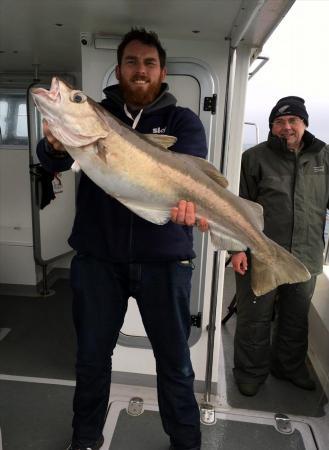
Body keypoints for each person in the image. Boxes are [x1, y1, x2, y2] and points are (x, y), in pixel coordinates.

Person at [36, 28, 208, 450]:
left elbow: (192, 177)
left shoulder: (183, 121)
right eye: (131, 62)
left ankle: (186, 444)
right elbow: (51, 155)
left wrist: (189, 208)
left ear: (162, 71)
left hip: (165, 261)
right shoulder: (99, 115)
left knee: (175, 365)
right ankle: (85, 439)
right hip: (98, 260)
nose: (140, 70)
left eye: (149, 63)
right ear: (119, 69)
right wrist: (56, 141)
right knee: (92, 360)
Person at [231, 96, 329, 397]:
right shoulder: (254, 158)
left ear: (304, 124)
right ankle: (250, 372)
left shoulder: (324, 156)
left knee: (296, 317)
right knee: (254, 317)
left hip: (306, 255)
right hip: (261, 255)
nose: (286, 127)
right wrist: (237, 249)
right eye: (279, 122)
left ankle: (289, 367)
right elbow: (237, 208)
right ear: (272, 126)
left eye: (292, 121)